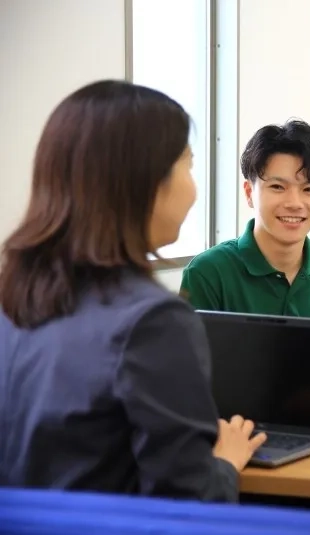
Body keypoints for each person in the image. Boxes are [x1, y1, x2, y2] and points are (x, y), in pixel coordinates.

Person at [0, 80, 266, 501]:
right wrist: (223, 464)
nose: (193, 188)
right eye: (188, 165)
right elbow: (188, 504)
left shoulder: (12, 296)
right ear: (145, 182)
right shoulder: (152, 322)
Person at [179, 120, 310, 324]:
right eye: (278, 187)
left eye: (309, 189)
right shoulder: (208, 272)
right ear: (249, 193)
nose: (294, 203)